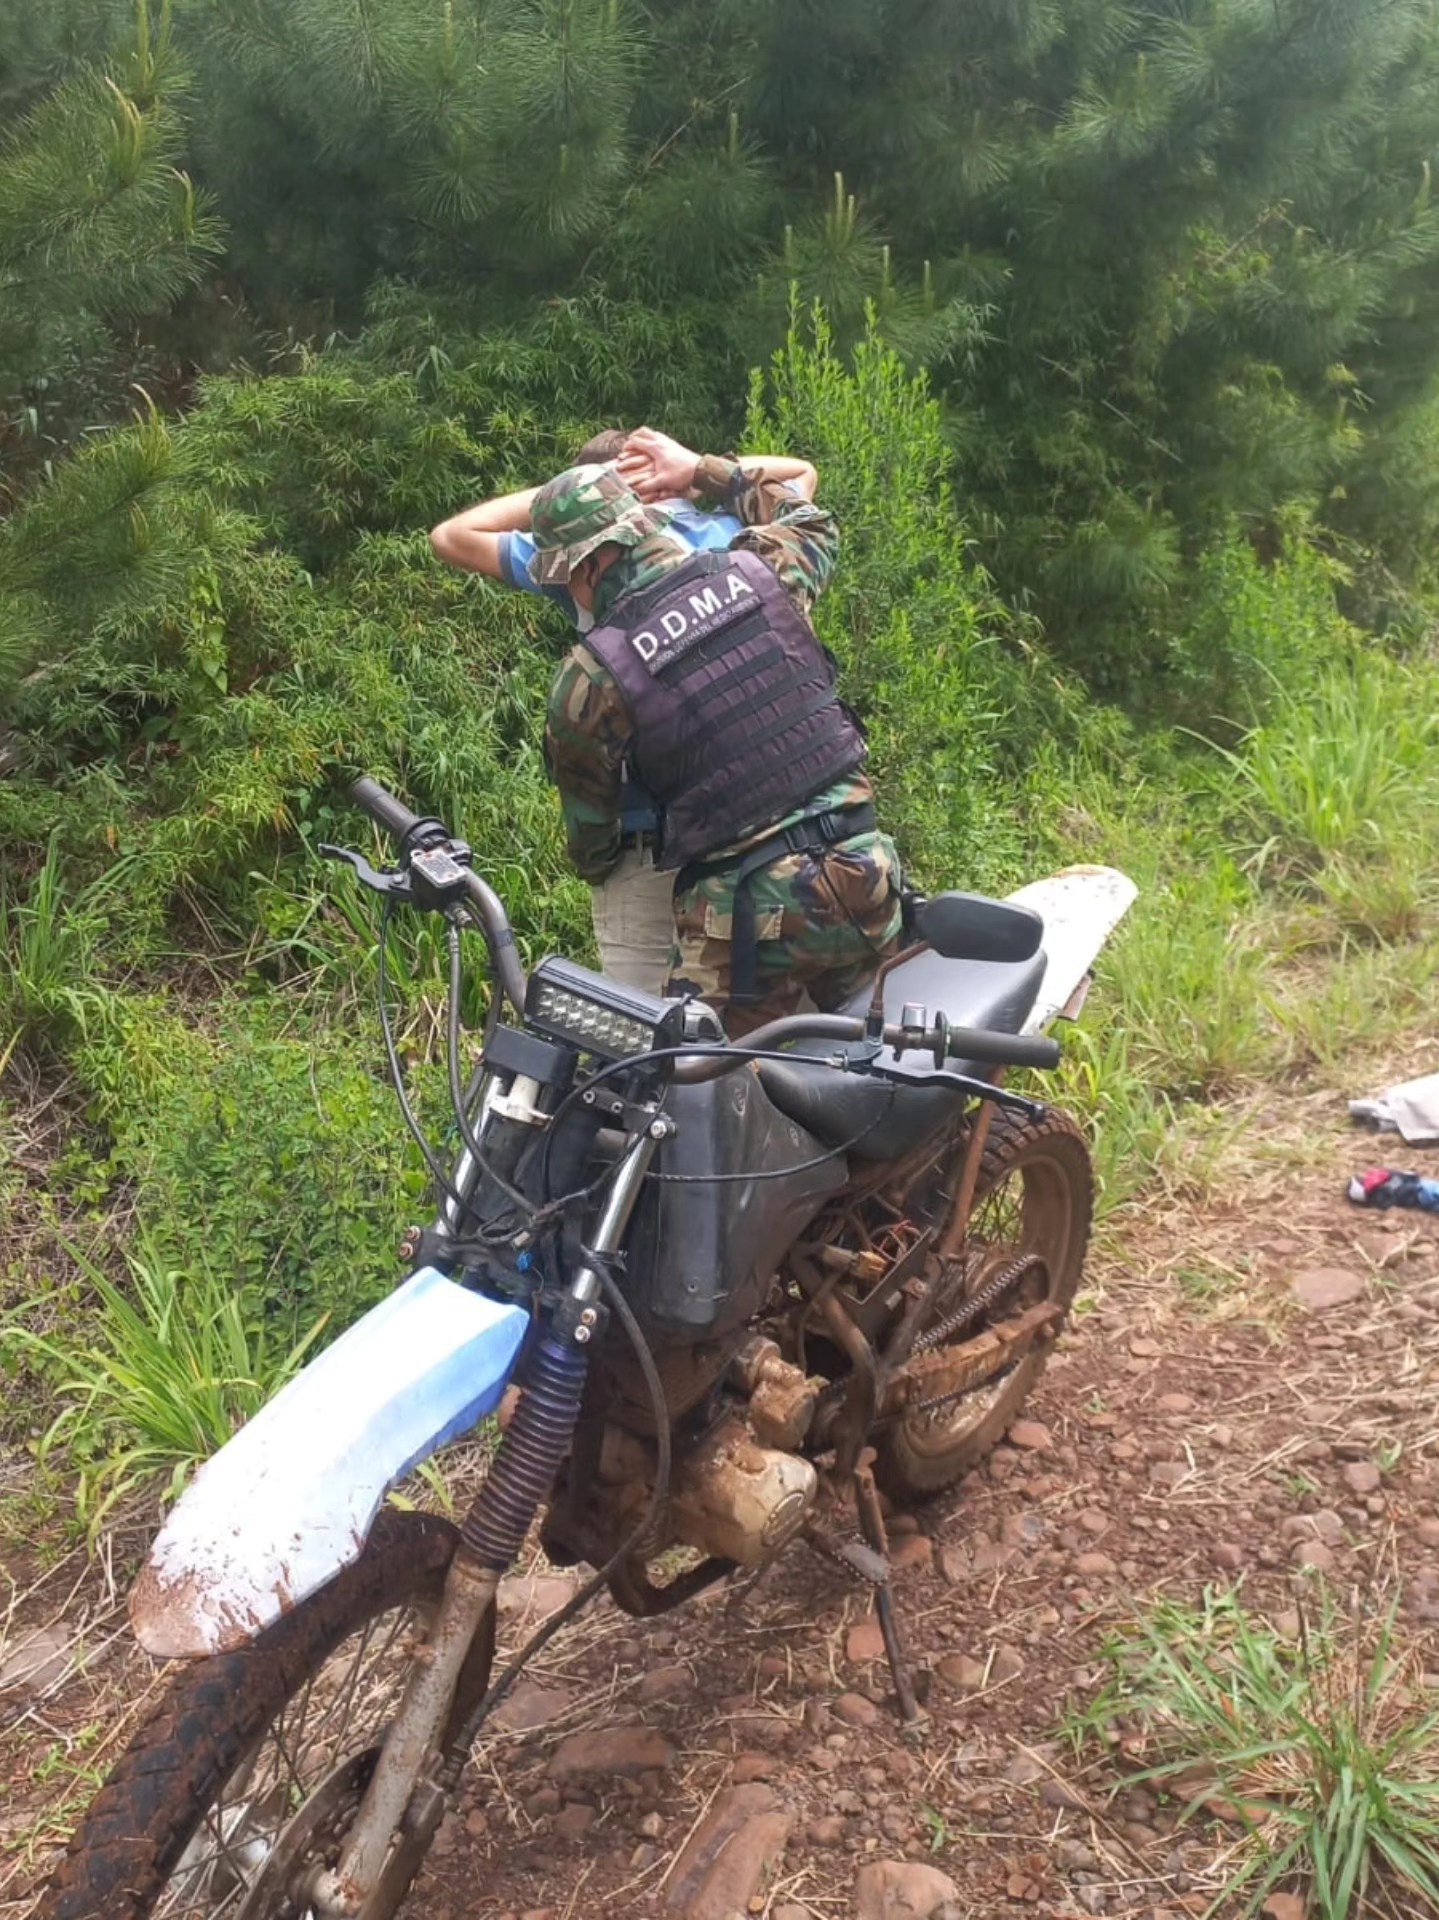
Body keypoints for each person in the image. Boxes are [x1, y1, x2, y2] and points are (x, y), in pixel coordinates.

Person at [536, 427, 902, 1035]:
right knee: (896, 1068)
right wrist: (703, 472)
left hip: (743, 924)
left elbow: (592, 840)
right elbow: (810, 514)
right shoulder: (763, 567)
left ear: (595, 562)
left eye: (563, 576)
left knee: (686, 1090)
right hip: (864, 873)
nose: (564, 590)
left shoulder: (592, 676)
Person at [429, 437, 821, 995]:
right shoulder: (733, 541)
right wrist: (698, 470)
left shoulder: (579, 568)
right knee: (793, 1036)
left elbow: (451, 536)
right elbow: (802, 478)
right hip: (778, 826)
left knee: (646, 1053)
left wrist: (573, 495)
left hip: (650, 850)